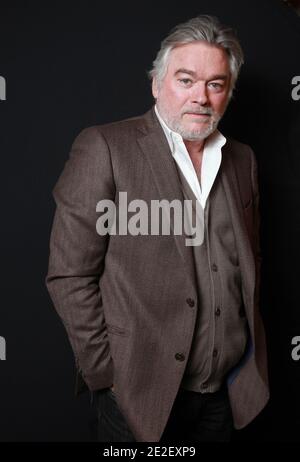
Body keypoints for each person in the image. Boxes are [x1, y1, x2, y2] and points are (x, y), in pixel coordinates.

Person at [46, 15, 269, 442]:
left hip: (226, 394)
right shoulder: (105, 148)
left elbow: (248, 260)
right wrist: (108, 373)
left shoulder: (244, 161)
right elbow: (70, 274)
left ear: (228, 94)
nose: (201, 97)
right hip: (139, 397)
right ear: (157, 84)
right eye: (186, 80)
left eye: (215, 84)